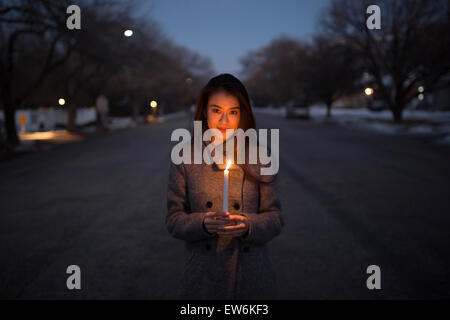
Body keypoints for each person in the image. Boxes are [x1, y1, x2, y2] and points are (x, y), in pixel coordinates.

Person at [166, 73, 283, 299]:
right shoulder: (184, 155)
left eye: (233, 112)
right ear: (204, 112)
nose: (224, 121)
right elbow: (173, 219)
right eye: (216, 110)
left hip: (252, 278)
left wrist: (248, 225)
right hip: (204, 279)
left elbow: (275, 218)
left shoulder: (261, 155)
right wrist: (203, 223)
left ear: (243, 115)